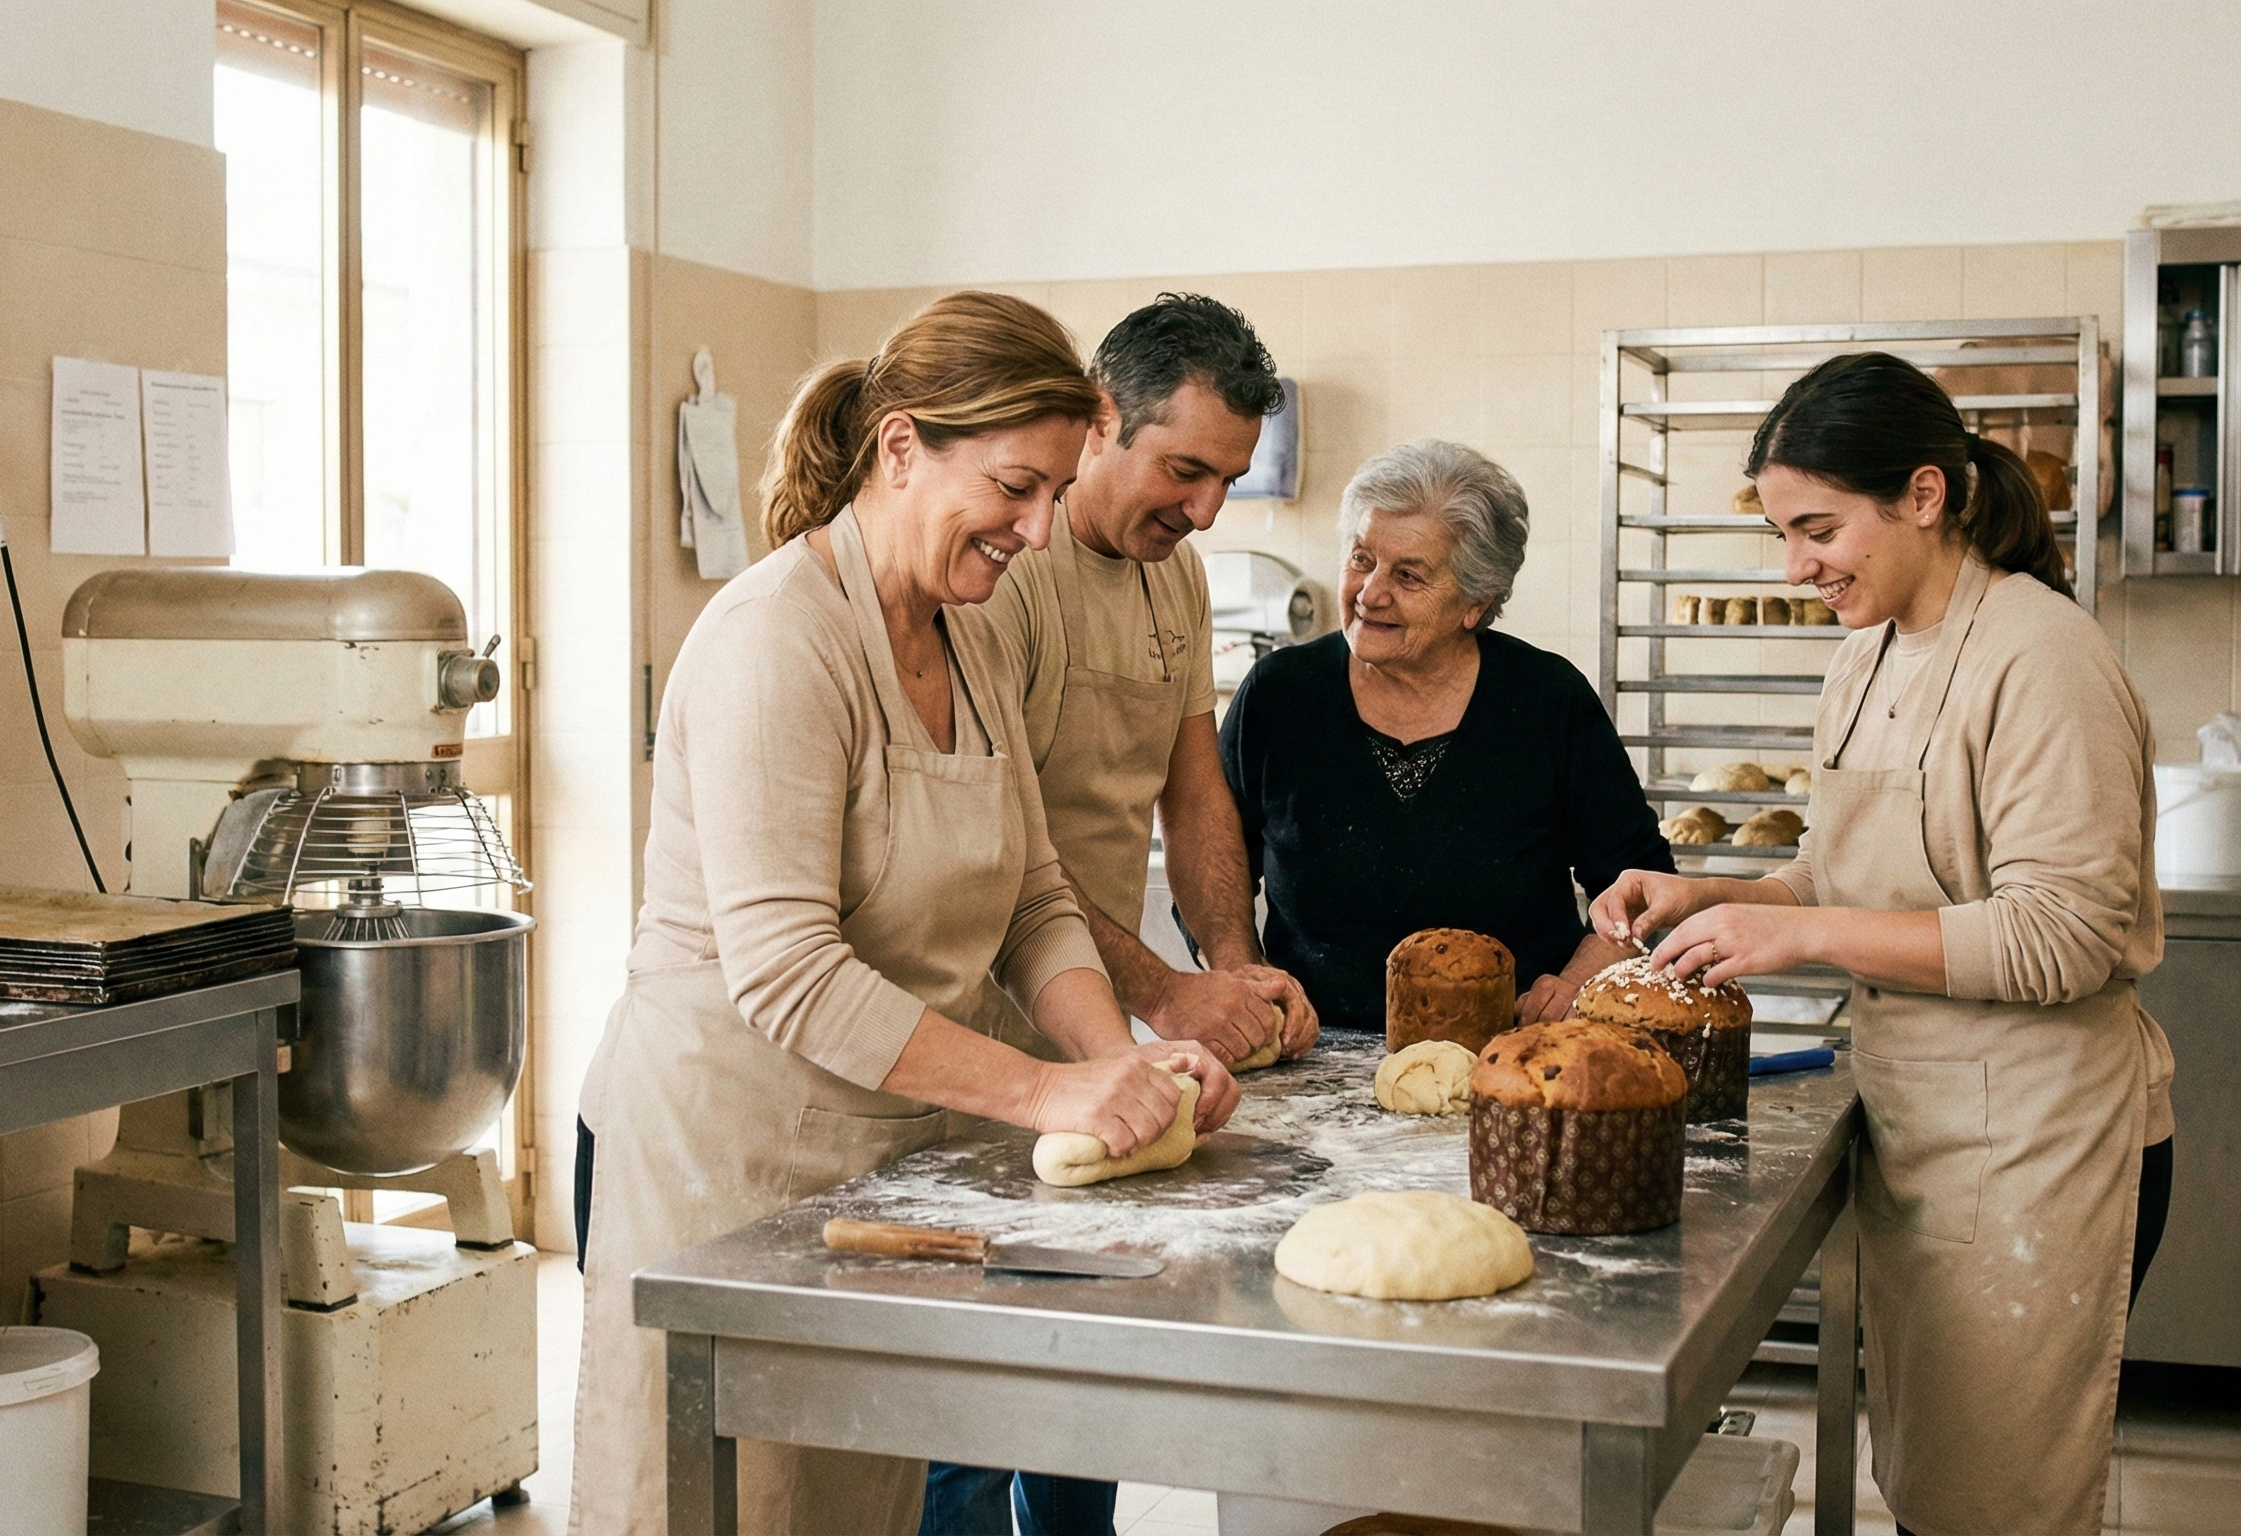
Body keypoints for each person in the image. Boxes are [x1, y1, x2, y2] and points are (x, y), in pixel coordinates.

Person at [569, 291, 1240, 1536]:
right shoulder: (777, 639)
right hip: (724, 1169)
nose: (1036, 531)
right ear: (898, 449)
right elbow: (787, 971)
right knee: (732, 1506)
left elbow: (1034, 897)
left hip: (870, 1165)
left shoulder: (964, 635)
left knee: (857, 1503)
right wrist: (1046, 1093)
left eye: (1052, 493)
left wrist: (1121, 1067)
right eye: (1014, 488)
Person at [1588, 352, 2176, 1536]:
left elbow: (2061, 936)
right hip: (1919, 1123)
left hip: (2035, 1141)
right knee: (1929, 1489)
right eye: (1780, 535)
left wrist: (1795, 930)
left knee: (1995, 1508)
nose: (1795, 567)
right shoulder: (1863, 654)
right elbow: (1843, 870)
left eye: (1817, 530)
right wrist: (1705, 894)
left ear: (1921, 495)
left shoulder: (2040, 657)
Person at [922, 300, 1318, 1536]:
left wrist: (1231, 971)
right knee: (972, 1386)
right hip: (975, 1029)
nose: (1204, 509)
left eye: (1227, 478)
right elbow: (1005, 859)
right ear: (1102, 420)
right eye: (1184, 470)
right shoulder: (1003, 579)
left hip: (1090, 1023)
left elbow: (1192, 789)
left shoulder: (1175, 575)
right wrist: (1163, 995)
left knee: (1087, 1349)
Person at [1220, 439, 1674, 1035]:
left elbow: (1639, 882)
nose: (1370, 592)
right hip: (1310, 1050)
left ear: (1474, 604)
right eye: (1361, 558)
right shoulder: (1280, 694)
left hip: (1511, 1052)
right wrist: (1246, 975)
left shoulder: (1546, 700)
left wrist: (1575, 985)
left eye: (1408, 575)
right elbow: (1213, 857)